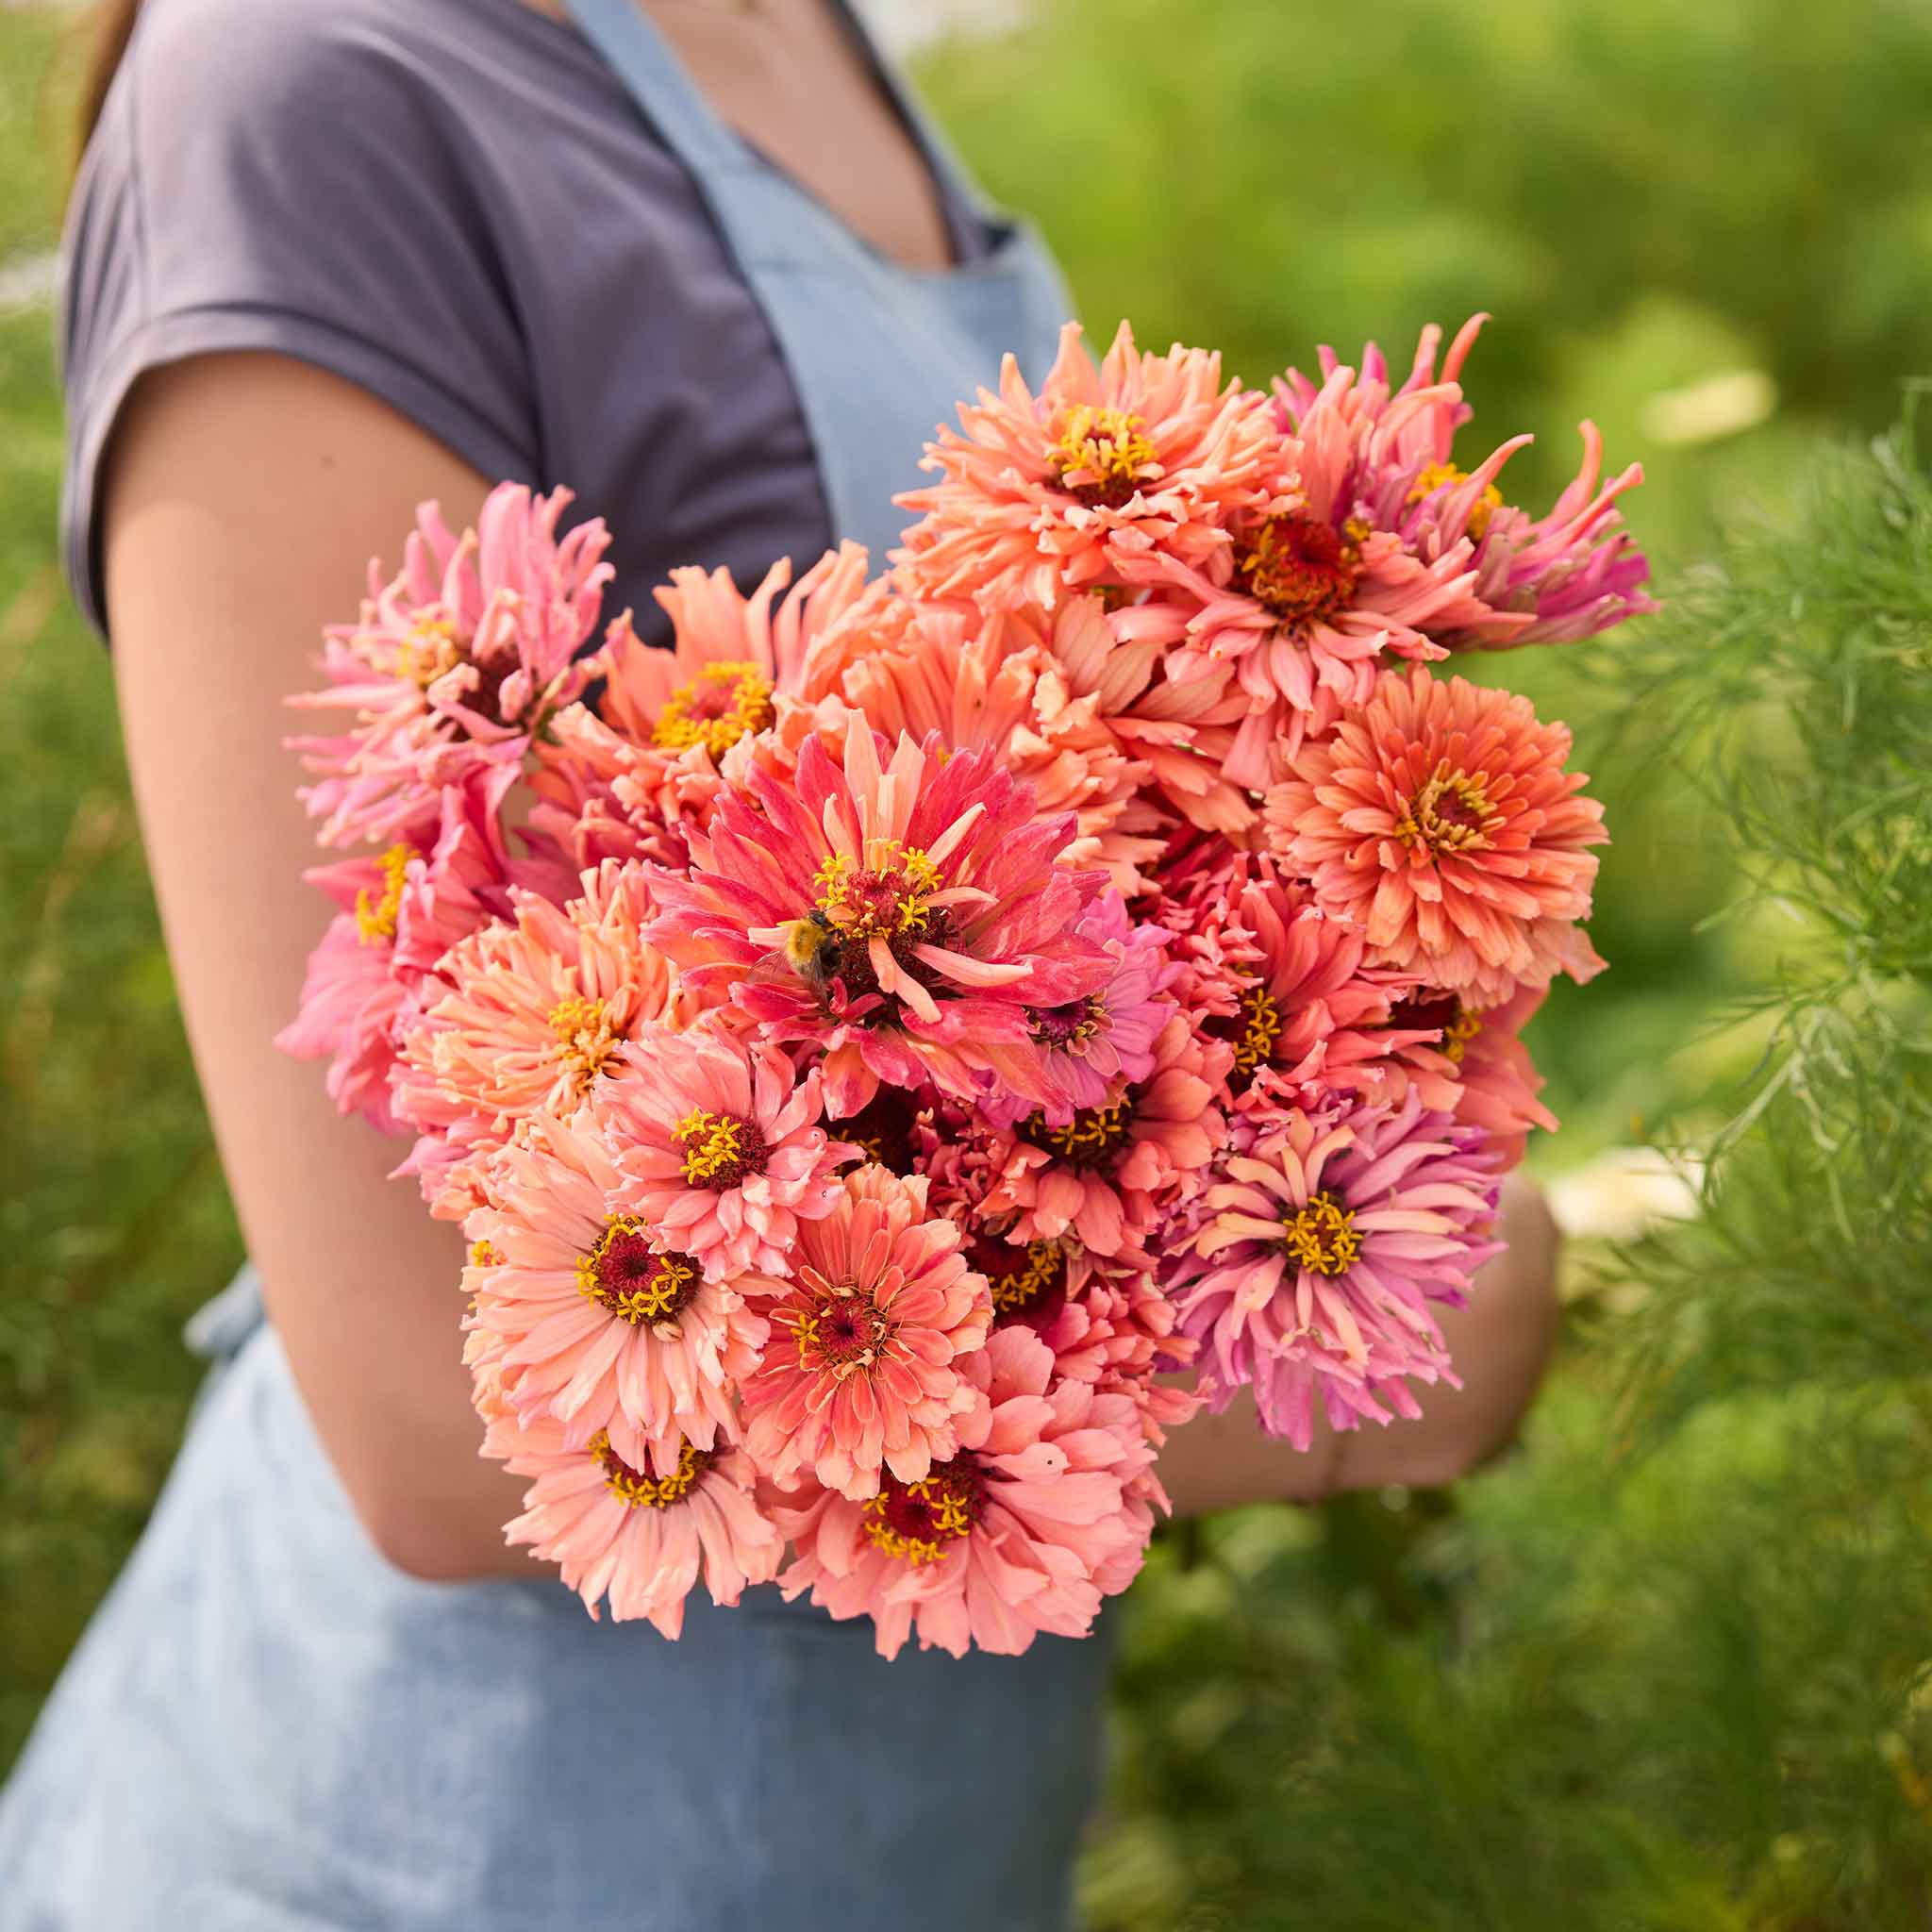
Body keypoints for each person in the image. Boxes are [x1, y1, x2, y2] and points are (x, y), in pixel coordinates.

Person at [0, 1, 1563, 1925]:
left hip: (910, 1828)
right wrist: (1376, 1351)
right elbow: (420, 1404)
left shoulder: (797, 23)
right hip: (465, 1847)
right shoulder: (302, 86)